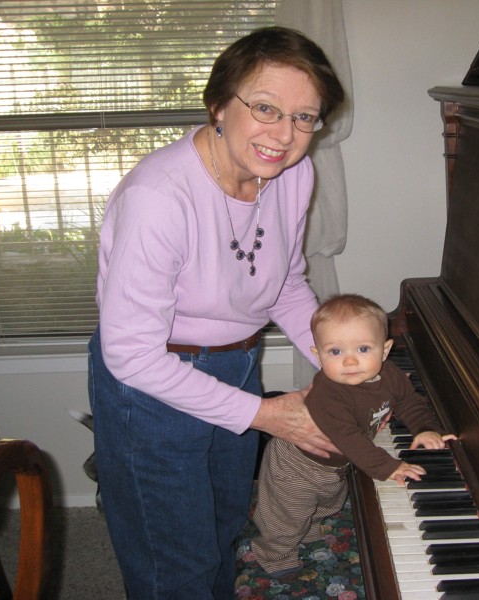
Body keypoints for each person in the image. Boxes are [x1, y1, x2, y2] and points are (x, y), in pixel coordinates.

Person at [87, 26, 345, 600]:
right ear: (218, 105)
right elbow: (131, 356)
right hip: (149, 387)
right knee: (174, 561)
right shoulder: (158, 197)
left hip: (237, 365)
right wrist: (267, 414)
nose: (285, 134)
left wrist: (341, 361)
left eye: (305, 117)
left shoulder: (292, 173)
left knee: (223, 528)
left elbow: (284, 285)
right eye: (265, 108)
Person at [250, 294, 458, 578]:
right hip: (296, 465)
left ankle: (306, 528)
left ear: (385, 350)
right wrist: (388, 467)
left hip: (335, 464)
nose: (349, 361)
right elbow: (349, 438)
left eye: (363, 348)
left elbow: (409, 401)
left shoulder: (391, 375)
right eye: (335, 352)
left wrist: (424, 428)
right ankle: (274, 554)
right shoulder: (328, 393)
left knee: (328, 503)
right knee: (286, 516)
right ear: (317, 355)